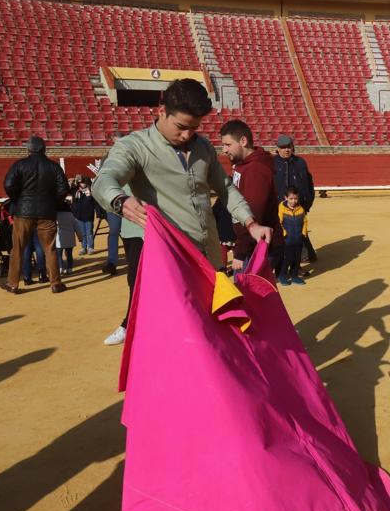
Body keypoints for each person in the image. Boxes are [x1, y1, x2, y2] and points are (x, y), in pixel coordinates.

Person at [91, 78, 271, 346]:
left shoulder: (203, 147)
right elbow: (104, 179)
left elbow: (225, 189)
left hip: (208, 255)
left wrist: (250, 222)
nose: (187, 135)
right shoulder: (134, 146)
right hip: (169, 258)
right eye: (181, 127)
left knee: (216, 328)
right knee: (176, 334)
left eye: (194, 128)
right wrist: (120, 200)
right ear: (161, 112)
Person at [2, 136, 68, 294]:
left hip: (24, 212)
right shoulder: (53, 167)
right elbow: (63, 188)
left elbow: (8, 184)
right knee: (50, 248)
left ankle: (12, 284)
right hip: (47, 211)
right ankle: (56, 283)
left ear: (28, 149)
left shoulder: (20, 164)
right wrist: (54, 202)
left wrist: (18, 198)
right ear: (44, 149)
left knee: (18, 247)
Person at [220, 119, 281, 274]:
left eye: (228, 145)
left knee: (249, 295)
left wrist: (240, 252)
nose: (224, 150)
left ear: (243, 141)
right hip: (250, 245)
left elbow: (255, 212)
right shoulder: (244, 165)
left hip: (254, 249)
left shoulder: (256, 169)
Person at [273, 134, 318, 266]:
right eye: (283, 147)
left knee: (298, 232)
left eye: (288, 147)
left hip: (298, 205)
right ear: (278, 148)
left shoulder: (300, 163)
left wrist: (307, 203)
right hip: (279, 206)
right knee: (281, 233)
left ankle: (302, 258)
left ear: (292, 147)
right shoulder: (272, 163)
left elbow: (308, 184)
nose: (286, 150)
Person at [277, 186, 308, 286]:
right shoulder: (282, 209)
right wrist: (284, 234)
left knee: (297, 258)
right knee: (287, 259)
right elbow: (279, 223)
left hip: (298, 239)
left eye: (295, 198)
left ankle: (294, 276)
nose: (293, 201)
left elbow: (305, 221)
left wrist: (304, 233)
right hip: (287, 240)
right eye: (291, 198)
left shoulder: (301, 209)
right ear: (285, 198)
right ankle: (282, 275)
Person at [71, 175, 97, 256]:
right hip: (79, 215)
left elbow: (92, 201)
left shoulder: (90, 191)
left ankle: (90, 247)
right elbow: (70, 189)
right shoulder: (76, 191)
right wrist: (74, 181)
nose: (82, 184)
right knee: (82, 233)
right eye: (80, 182)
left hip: (88, 215)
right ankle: (83, 247)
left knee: (89, 232)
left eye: (83, 182)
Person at [54, 194, 77, 276]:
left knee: (59, 254)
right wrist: (81, 237)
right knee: (69, 254)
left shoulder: (56, 216)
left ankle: (61, 268)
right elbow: (76, 226)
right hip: (70, 237)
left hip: (59, 237)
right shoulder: (71, 215)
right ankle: (70, 268)